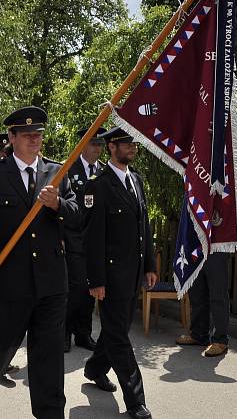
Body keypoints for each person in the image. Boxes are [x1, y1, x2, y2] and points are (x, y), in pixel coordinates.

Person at [0, 106, 78, 418]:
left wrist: (59, 205)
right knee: (2, 343)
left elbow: (78, 218)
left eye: (38, 134)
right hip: (9, 282)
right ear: (11, 138)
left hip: (51, 281)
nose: (34, 139)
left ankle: (50, 412)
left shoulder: (57, 172)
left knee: (49, 354)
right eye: (26, 135)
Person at [83, 127, 156, 419]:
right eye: (127, 144)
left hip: (133, 273)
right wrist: (96, 280)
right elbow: (92, 238)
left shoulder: (136, 180)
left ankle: (94, 368)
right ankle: (135, 402)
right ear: (111, 147)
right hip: (110, 278)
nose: (133, 148)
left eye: (134, 144)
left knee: (117, 331)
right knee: (119, 337)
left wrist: (149, 264)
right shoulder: (97, 185)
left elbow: (144, 228)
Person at [176, 192, 237, 357]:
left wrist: (229, 233)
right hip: (196, 248)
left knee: (218, 295)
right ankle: (199, 335)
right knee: (197, 293)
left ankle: (220, 340)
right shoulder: (195, 184)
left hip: (216, 249)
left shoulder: (222, 184)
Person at [63, 126, 106, 353]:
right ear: (82, 144)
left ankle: (84, 334)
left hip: (94, 241)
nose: (97, 148)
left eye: (100, 144)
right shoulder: (68, 170)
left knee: (90, 289)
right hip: (72, 239)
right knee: (74, 289)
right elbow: (59, 208)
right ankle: (64, 333)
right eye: (93, 143)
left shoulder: (103, 172)